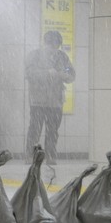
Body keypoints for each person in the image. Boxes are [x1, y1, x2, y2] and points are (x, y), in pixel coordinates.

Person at [24, 30, 75, 164]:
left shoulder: (63, 57)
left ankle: (51, 156)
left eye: (57, 45)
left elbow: (70, 72)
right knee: (35, 129)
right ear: (45, 43)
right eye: (51, 45)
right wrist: (47, 73)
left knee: (53, 131)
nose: (54, 49)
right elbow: (29, 73)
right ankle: (30, 156)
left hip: (56, 101)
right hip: (38, 100)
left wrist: (65, 74)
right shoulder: (35, 55)